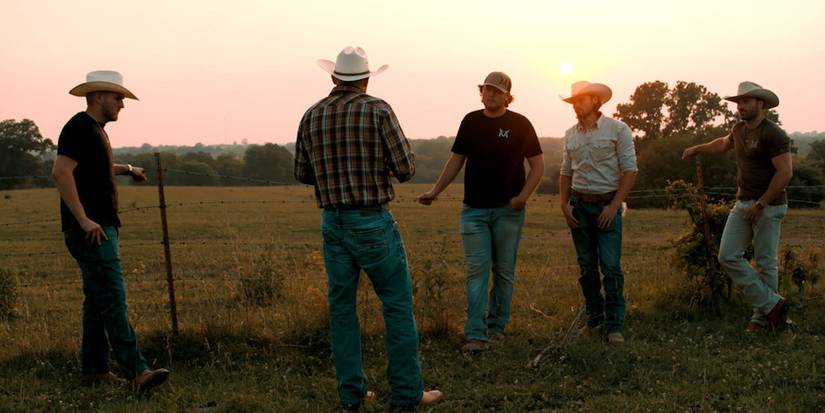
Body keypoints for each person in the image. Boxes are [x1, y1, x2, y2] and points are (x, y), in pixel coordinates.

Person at [294, 46, 442, 411]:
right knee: (396, 306)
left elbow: (301, 173)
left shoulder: (311, 115)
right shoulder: (377, 109)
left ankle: (352, 395)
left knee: (342, 310)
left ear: (333, 78)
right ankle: (407, 394)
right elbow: (406, 168)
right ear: (365, 78)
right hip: (372, 220)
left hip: (333, 221)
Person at [52, 70, 170, 390]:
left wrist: (129, 169)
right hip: (93, 230)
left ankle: (94, 371)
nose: (122, 104)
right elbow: (61, 171)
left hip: (99, 228)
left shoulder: (95, 130)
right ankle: (137, 372)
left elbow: (97, 167)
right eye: (118, 97)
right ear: (100, 96)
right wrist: (84, 219)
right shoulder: (79, 127)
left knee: (97, 301)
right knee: (114, 299)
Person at [418, 71, 544, 353]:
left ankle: (497, 328)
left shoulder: (520, 124)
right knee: (477, 271)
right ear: (481, 92)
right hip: (473, 210)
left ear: (507, 97)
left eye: (497, 91)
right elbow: (456, 160)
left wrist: (523, 197)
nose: (490, 95)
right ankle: (476, 334)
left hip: (508, 211)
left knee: (504, 271)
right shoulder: (471, 121)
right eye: (487, 90)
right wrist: (435, 191)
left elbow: (538, 166)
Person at [682, 81, 792, 333]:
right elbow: (723, 143)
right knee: (727, 255)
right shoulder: (739, 129)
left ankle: (761, 318)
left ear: (760, 104)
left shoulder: (772, 134)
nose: (740, 106)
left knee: (765, 262)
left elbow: (785, 173)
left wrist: (761, 203)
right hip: (742, 202)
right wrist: (698, 148)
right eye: (739, 102)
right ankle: (772, 305)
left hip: (769, 206)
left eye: (746, 101)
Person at [559, 81, 638, 345]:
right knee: (586, 268)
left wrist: (614, 206)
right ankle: (594, 319)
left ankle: (614, 325)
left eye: (579, 100)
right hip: (579, 206)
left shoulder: (618, 129)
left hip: (607, 206)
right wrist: (564, 203)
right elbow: (566, 171)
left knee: (611, 267)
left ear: (594, 100)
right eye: (573, 102)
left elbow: (630, 170)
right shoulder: (571, 133)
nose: (575, 106)